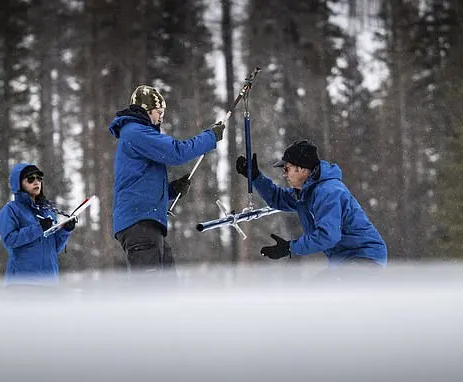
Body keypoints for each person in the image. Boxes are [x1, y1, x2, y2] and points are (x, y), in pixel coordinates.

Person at [108, 84, 225, 273]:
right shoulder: (136, 132)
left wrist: (171, 190)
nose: (161, 117)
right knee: (151, 292)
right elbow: (177, 153)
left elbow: (140, 181)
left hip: (146, 222)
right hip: (139, 223)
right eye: (158, 111)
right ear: (145, 110)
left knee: (167, 288)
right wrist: (210, 138)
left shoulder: (137, 133)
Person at [236, 140, 387, 268]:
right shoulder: (306, 193)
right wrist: (256, 177)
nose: (284, 174)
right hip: (346, 260)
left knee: (318, 296)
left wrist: (290, 247)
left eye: (286, 168)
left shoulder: (328, 192)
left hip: (364, 259)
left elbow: (328, 236)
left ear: (301, 168)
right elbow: (278, 198)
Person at [0, 163, 77, 286]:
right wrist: (39, 228)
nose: (36, 182)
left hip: (49, 282)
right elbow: (9, 240)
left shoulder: (48, 212)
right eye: (30, 179)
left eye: (39, 178)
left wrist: (65, 231)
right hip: (22, 283)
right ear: (18, 184)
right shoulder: (10, 210)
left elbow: (54, 248)